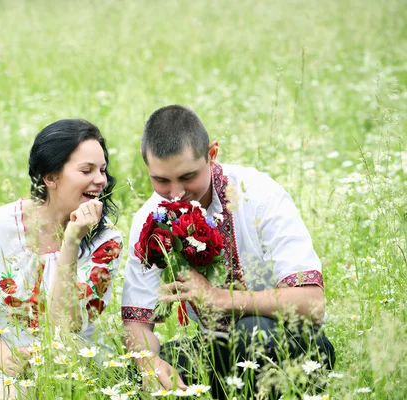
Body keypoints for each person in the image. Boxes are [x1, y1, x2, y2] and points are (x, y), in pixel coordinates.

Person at [121, 105, 335, 398]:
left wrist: (221, 299)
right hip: (214, 347)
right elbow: (136, 324)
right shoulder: (151, 218)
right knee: (130, 374)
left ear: (212, 154)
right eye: (161, 180)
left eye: (187, 177)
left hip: (284, 341)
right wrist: (150, 365)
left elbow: (312, 302)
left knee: (255, 332)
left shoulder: (259, 194)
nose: (175, 193)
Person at [0, 119, 122, 398]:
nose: (101, 180)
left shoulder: (107, 241)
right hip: (5, 365)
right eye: (86, 170)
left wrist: (71, 241)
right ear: (50, 177)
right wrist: (2, 354)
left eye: (102, 170)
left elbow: (66, 324)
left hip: (75, 368)